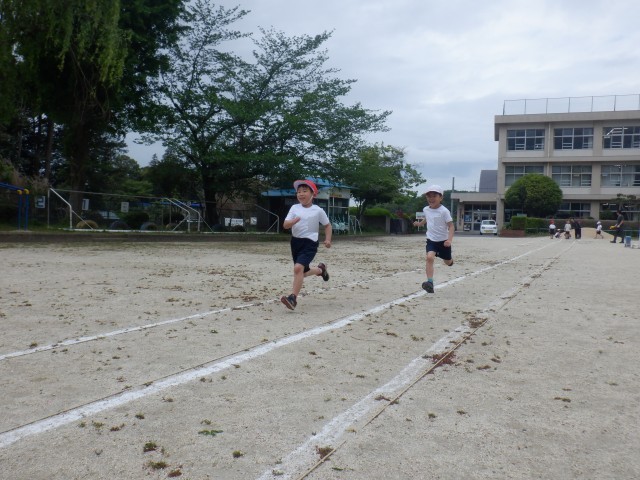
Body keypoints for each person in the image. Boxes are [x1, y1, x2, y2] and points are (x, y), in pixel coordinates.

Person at [280, 179, 332, 310]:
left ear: (313, 194)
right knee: (302, 272)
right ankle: (321, 270)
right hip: (295, 242)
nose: (301, 194)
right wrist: (293, 221)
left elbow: (327, 225)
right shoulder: (294, 208)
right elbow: (285, 225)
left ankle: (293, 298)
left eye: (304, 191)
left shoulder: (318, 210)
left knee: (298, 268)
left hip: (310, 243)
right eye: (298, 192)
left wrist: (328, 239)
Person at [412, 185, 454, 293]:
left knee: (448, 262)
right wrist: (420, 224)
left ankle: (450, 261)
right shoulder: (426, 209)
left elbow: (451, 226)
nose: (431, 198)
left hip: (443, 242)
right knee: (429, 258)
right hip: (431, 240)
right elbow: (427, 218)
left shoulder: (444, 211)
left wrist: (449, 240)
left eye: (434, 196)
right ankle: (430, 283)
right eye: (429, 196)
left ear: (441, 197)